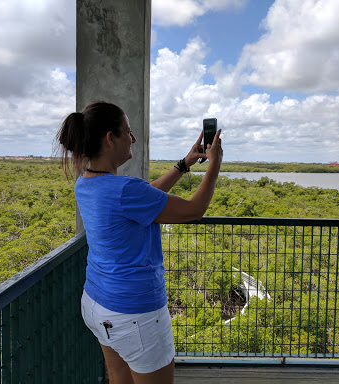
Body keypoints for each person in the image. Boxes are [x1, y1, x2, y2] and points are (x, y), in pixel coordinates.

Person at [55, 101, 222, 384]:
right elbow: (194, 210)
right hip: (135, 314)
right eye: (128, 132)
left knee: (119, 379)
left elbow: (145, 199)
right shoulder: (125, 190)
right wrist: (214, 165)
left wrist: (184, 165)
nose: (132, 139)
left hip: (97, 304)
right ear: (111, 138)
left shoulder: (85, 183)